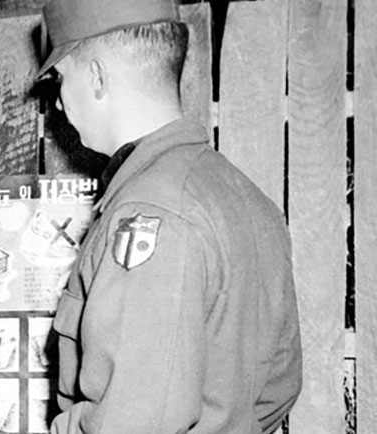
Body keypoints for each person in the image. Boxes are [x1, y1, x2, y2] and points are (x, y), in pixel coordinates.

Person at [38, 0, 302, 432]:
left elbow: (134, 423)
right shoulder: (244, 196)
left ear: (97, 77)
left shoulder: (149, 213)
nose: (61, 105)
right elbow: (278, 389)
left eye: (61, 80)